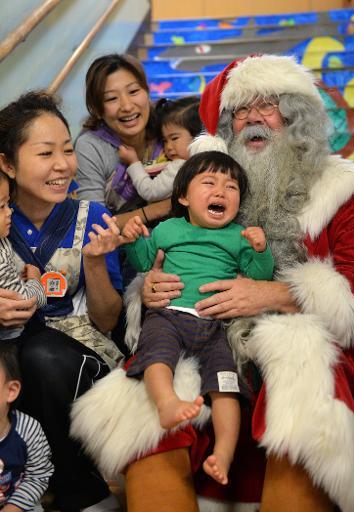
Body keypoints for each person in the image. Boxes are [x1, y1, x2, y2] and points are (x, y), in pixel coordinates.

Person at [71, 54, 354, 512]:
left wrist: (278, 294)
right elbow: (162, 252)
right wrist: (148, 288)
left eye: (268, 105)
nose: (252, 120)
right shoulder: (211, 184)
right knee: (142, 405)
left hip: (301, 337)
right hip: (194, 328)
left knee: (301, 385)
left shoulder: (342, 189)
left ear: (297, 118)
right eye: (240, 110)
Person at [0, 90, 124, 512]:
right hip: (9, 347)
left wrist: (94, 263)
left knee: (40, 357)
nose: (62, 165)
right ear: (7, 164)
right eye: (45, 153)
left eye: (68, 150)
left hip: (76, 349)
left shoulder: (93, 217)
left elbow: (108, 321)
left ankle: (82, 490)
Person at [121, 151, 274, 485]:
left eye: (231, 187)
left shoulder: (239, 235)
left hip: (214, 323)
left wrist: (260, 250)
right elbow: (145, 263)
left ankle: (224, 452)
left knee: (226, 383)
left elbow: (259, 276)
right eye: (209, 183)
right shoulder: (167, 229)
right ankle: (167, 404)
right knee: (157, 355)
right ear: (183, 197)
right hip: (169, 315)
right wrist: (134, 240)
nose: (220, 191)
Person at [75, 53, 171, 227]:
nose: (127, 106)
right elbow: (93, 225)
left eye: (134, 91)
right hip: (115, 248)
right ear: (97, 110)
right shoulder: (91, 147)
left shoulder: (169, 130)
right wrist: (156, 210)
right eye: (112, 98)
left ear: (147, 92)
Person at [119, 96, 203, 204]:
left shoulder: (179, 166)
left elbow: (150, 191)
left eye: (174, 138)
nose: (168, 146)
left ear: (198, 135)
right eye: (165, 140)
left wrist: (133, 162)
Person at [0, 343, 53, 511]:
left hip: (18, 503)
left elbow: (38, 476)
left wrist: (12, 508)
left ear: (11, 391)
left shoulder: (28, 429)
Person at [0, 171, 47, 342]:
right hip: (11, 342)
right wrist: (35, 280)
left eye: (8, 204)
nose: (9, 212)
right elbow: (28, 303)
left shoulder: (3, 241)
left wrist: (15, 280)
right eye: (1, 207)